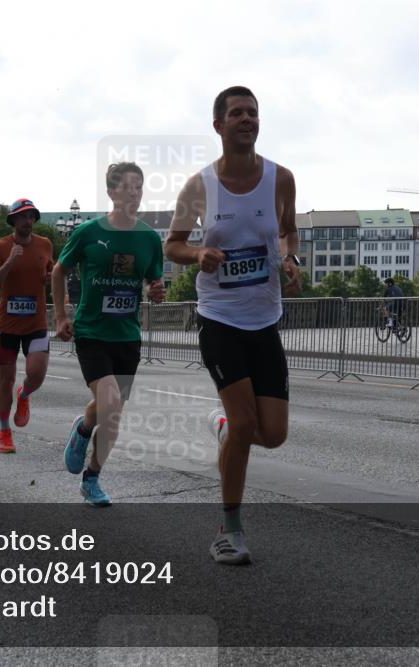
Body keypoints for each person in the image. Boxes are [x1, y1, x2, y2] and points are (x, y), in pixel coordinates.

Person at [165, 86, 301, 565]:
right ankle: (230, 529)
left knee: (275, 433)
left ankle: (225, 429)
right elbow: (173, 244)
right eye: (237, 113)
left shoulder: (280, 179)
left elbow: (287, 229)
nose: (247, 119)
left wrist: (290, 258)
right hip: (219, 318)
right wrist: (197, 253)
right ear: (219, 125)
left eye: (254, 113)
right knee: (247, 424)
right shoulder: (199, 186)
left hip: (264, 318)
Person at [53, 162, 166, 506]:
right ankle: (86, 430)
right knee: (110, 400)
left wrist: (157, 291)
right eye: (128, 186)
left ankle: (92, 477)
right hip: (92, 332)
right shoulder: (87, 232)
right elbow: (59, 272)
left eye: (139, 187)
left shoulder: (148, 238)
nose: (134, 192)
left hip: (127, 336)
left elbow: (153, 281)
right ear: (112, 191)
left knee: (112, 415)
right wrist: (60, 316)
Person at [0, 198, 54, 454]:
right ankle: (4, 431)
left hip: (36, 323)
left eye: (31, 216)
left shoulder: (45, 244)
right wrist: (10, 262)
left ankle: (24, 395)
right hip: (7, 326)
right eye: (22, 216)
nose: (27, 221)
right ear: (13, 220)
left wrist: (49, 277)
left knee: (37, 374)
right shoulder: (1, 246)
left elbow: (50, 274)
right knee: (6, 380)